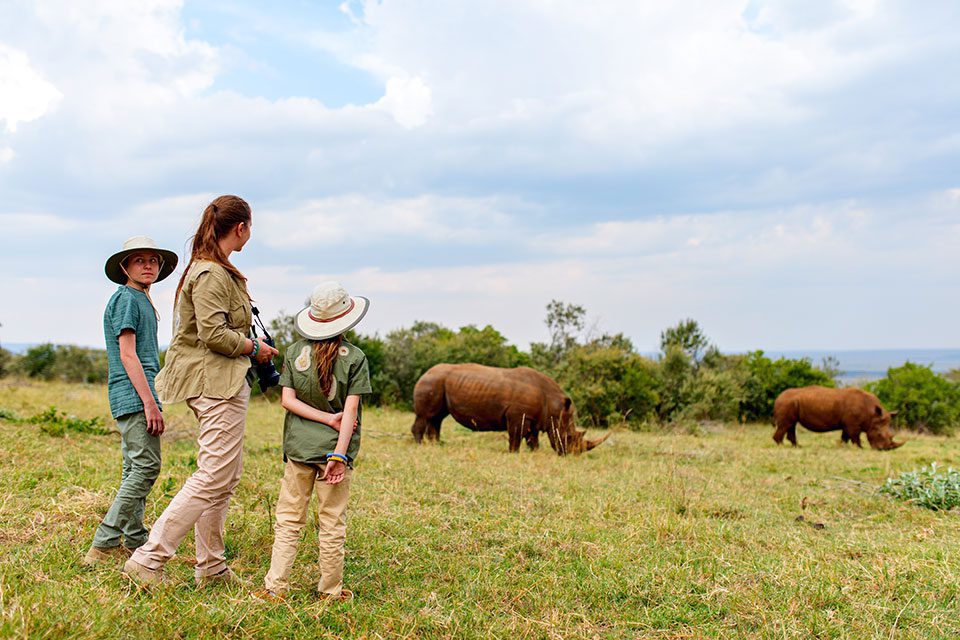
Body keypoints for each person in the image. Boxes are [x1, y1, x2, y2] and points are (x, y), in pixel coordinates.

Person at [122, 195, 278, 587]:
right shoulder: (210, 273)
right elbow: (213, 334)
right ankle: (149, 559)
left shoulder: (217, 269)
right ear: (240, 228)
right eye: (250, 226)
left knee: (224, 476)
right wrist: (255, 348)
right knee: (212, 476)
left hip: (222, 380)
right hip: (214, 382)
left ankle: (212, 566)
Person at [257, 281, 371, 602]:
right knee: (332, 522)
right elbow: (350, 413)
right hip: (334, 454)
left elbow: (287, 401)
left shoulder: (294, 352)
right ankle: (330, 591)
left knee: (289, 520)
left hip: (298, 450)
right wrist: (338, 454)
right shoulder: (356, 358)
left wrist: (321, 418)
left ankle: (275, 587)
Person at [83, 236, 178, 565]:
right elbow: (128, 355)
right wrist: (150, 402)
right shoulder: (126, 299)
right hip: (136, 394)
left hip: (136, 393)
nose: (148, 265)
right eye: (139, 260)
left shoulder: (139, 299)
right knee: (147, 467)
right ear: (125, 266)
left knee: (133, 468)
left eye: (153, 260)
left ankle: (135, 539)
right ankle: (105, 541)